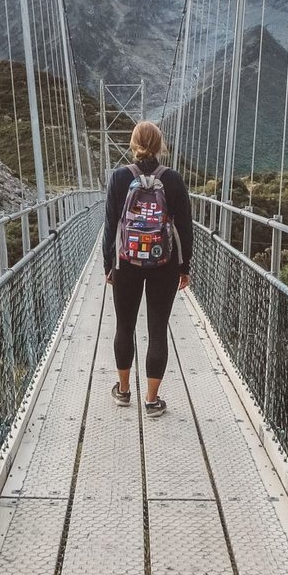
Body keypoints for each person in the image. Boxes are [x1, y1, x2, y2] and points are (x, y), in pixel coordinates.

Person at [100, 120, 194, 417]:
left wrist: (109, 264)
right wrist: (184, 267)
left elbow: (110, 227)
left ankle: (124, 391)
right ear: (160, 144)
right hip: (164, 263)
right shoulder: (174, 179)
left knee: (124, 325)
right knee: (157, 329)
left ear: (133, 143)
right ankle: (152, 401)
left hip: (126, 262)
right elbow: (185, 229)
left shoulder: (118, 178)